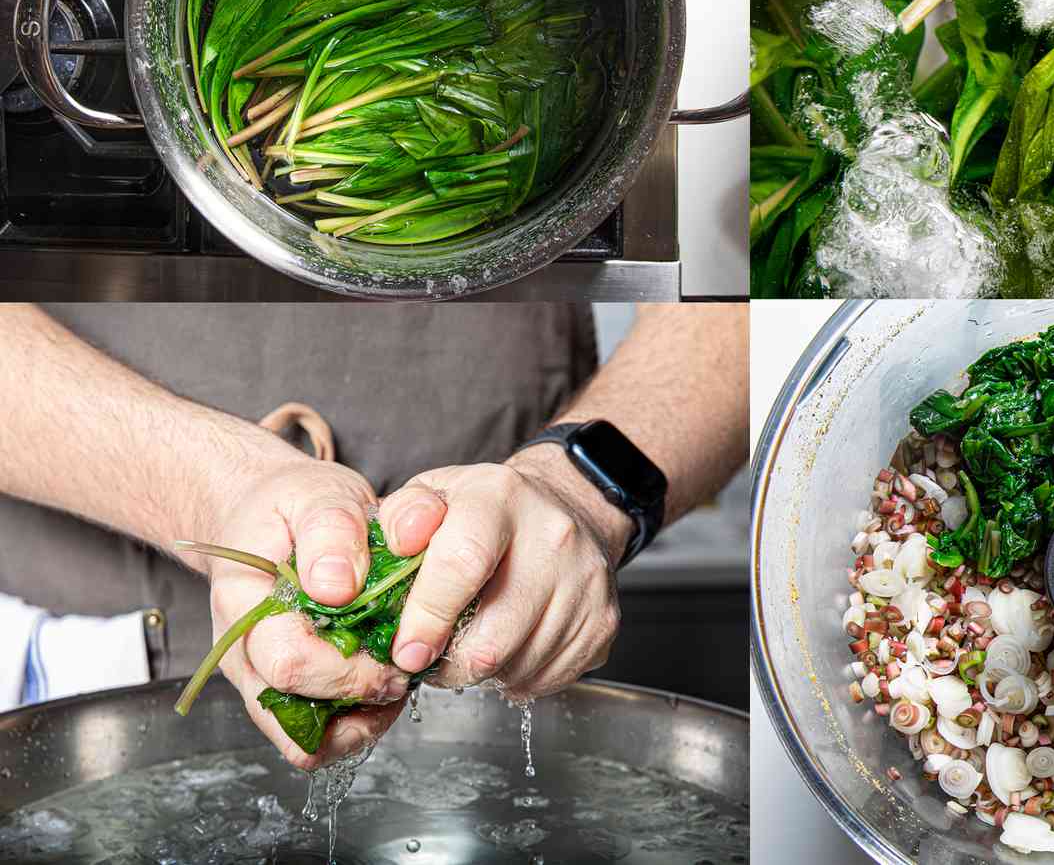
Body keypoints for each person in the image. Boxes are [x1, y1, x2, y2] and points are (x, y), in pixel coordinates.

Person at [0, 302, 748, 769]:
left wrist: (578, 487)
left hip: (509, 654)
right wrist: (214, 484)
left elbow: (735, 301)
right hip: (87, 669)